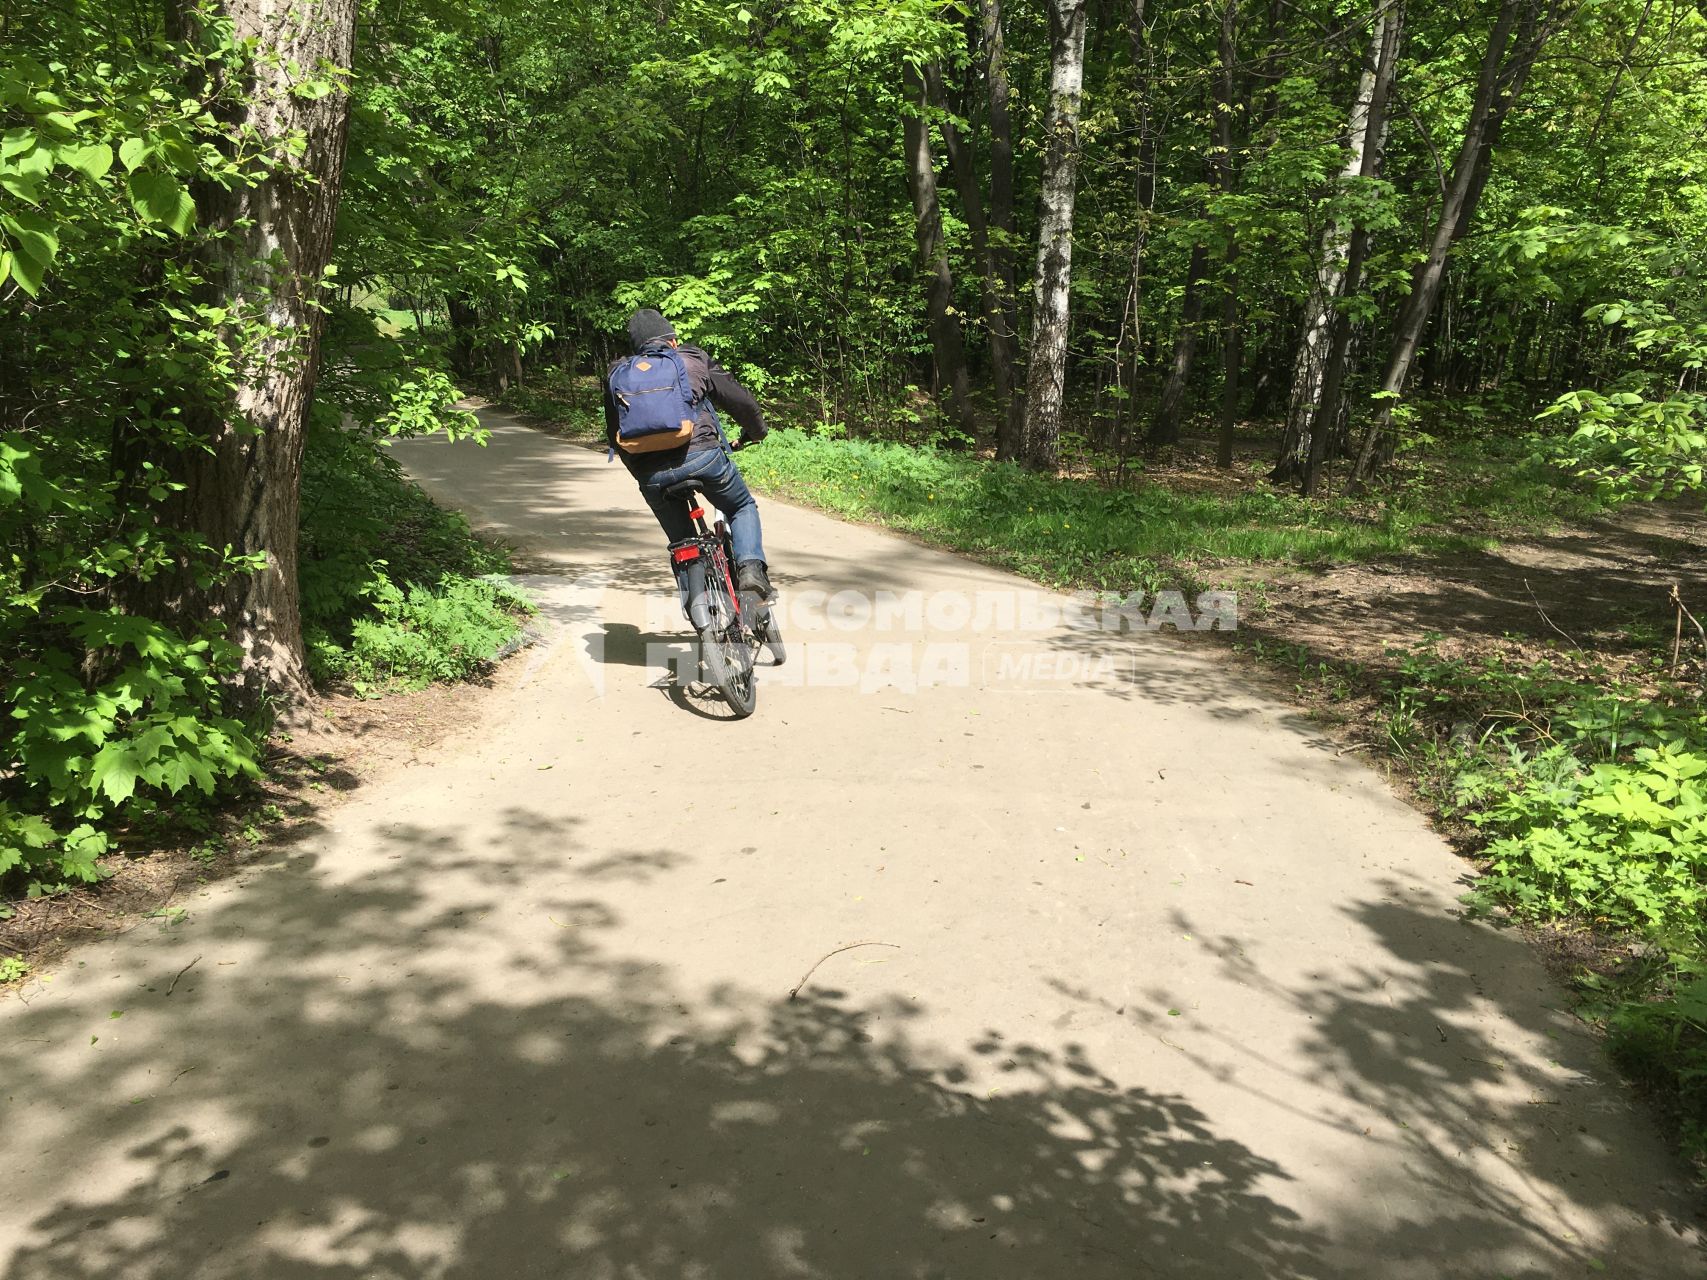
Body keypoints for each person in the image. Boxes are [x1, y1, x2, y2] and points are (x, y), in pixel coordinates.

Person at [603, 307, 776, 620]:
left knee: (682, 541)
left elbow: (616, 435)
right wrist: (756, 432)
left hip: (650, 474)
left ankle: (696, 605)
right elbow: (742, 402)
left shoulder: (619, 373)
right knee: (740, 507)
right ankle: (750, 570)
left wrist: (643, 475)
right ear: (672, 340)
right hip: (703, 457)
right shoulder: (692, 358)